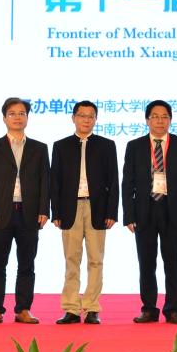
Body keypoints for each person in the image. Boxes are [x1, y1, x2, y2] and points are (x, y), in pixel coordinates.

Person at [122, 100, 177, 324]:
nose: (160, 121)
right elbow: (127, 183)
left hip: (173, 211)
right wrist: (129, 215)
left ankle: (173, 309)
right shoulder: (134, 146)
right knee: (146, 263)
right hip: (144, 211)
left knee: (173, 262)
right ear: (147, 120)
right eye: (155, 116)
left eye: (164, 117)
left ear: (170, 120)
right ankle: (149, 308)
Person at [0, 98, 49, 325]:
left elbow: (45, 181)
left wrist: (43, 209)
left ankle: (23, 309)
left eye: (22, 113)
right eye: (12, 113)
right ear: (4, 118)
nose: (17, 117)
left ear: (27, 118)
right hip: (0, 213)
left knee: (27, 264)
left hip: (29, 213)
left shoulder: (39, 148)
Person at [51, 100, 118, 325]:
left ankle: (92, 308)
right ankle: (71, 308)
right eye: (82, 115)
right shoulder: (60, 146)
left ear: (96, 119)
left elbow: (113, 181)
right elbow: (55, 181)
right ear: (73, 118)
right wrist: (56, 211)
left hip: (97, 208)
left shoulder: (107, 145)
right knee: (71, 260)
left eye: (91, 116)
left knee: (96, 260)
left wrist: (112, 212)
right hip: (69, 208)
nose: (86, 120)